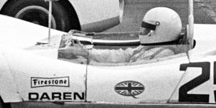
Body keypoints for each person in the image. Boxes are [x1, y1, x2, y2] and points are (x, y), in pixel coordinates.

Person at [59, 7, 188, 63]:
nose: (142, 32)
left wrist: (89, 63)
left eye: (147, 28)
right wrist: (87, 53)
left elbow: (129, 71)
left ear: (159, 31)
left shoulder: (162, 54)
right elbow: (123, 55)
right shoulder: (149, 48)